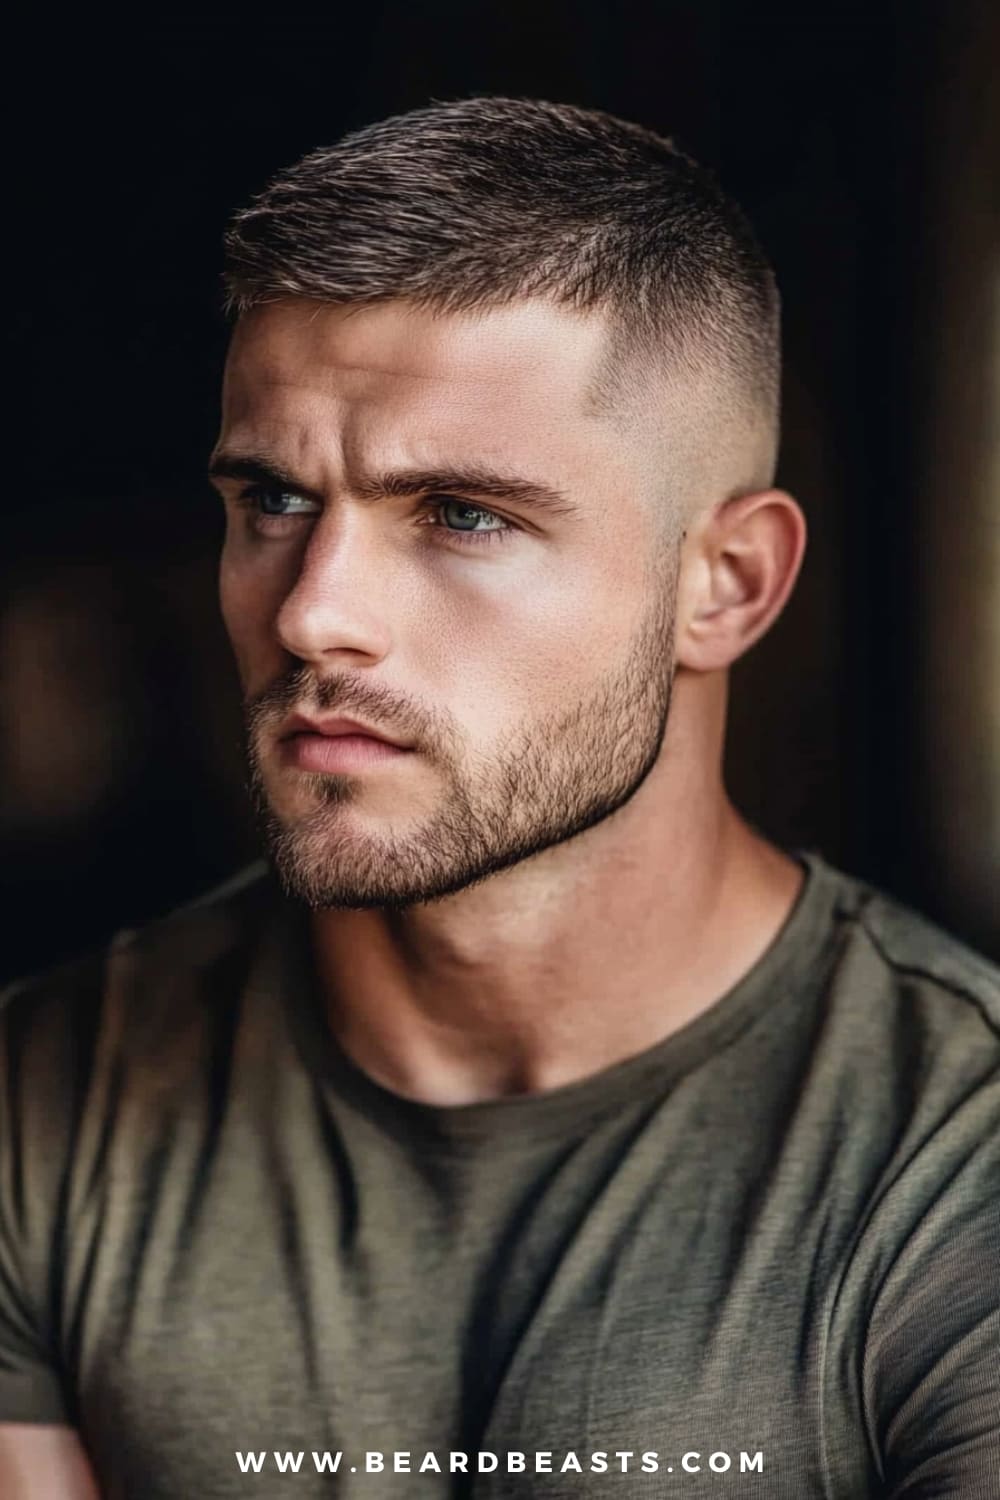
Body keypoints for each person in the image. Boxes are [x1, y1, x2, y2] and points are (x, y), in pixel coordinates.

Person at [0, 96, 997, 1500]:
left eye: (464, 515)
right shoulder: (45, 1104)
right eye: (274, 502)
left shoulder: (956, 1165)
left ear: (726, 585)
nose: (314, 614)